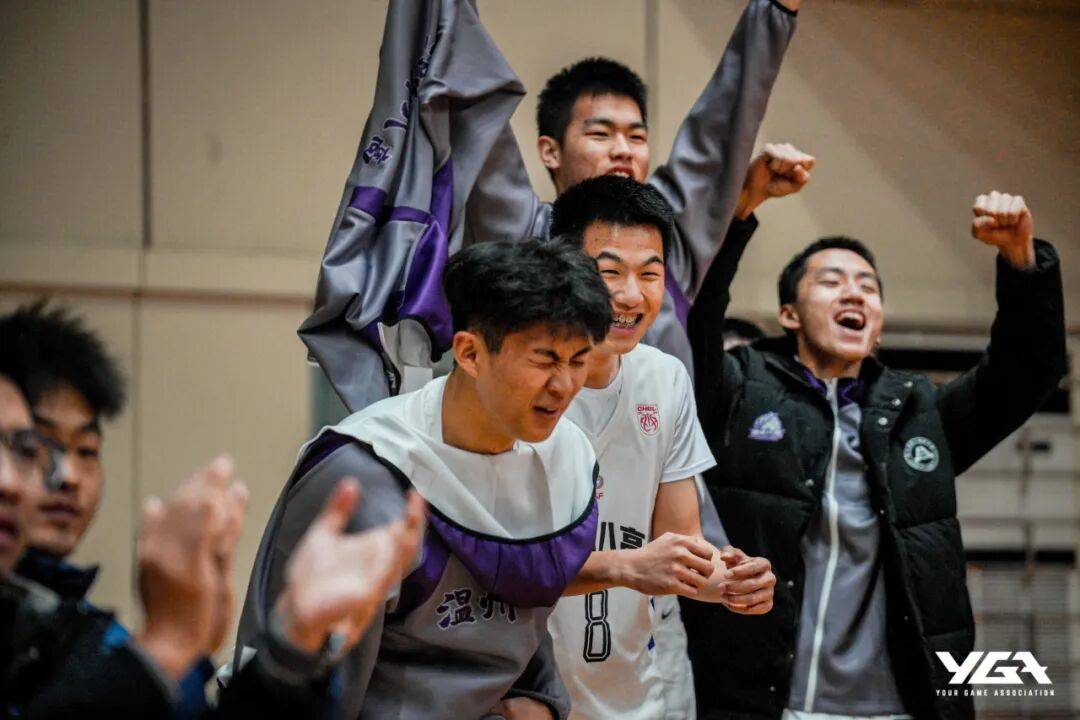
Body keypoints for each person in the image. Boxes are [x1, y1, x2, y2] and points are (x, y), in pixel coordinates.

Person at [682, 191, 1067, 719]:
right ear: (789, 314)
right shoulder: (740, 390)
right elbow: (693, 323)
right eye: (832, 281)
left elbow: (1028, 370)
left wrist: (1022, 259)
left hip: (902, 707)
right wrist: (742, 207)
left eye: (868, 287)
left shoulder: (919, 410)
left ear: (880, 324)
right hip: (767, 703)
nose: (855, 293)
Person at [237, 238, 615, 720]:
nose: (564, 386)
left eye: (578, 361)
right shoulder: (367, 474)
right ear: (470, 353)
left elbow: (528, 606)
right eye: (545, 360)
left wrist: (544, 703)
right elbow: (296, 673)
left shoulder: (567, 461)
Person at [543, 175, 776, 720]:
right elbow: (499, 561)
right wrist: (627, 566)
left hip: (635, 689)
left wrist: (729, 580)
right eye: (609, 272)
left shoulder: (665, 378)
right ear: (562, 269)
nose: (631, 295)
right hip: (527, 689)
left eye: (650, 274)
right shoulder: (519, 381)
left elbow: (680, 542)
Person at [465, 0, 802, 375]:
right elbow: (480, 116)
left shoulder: (670, 238)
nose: (624, 150)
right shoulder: (524, 237)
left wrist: (777, 9)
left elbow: (723, 120)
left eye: (637, 137)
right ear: (551, 151)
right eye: (601, 134)